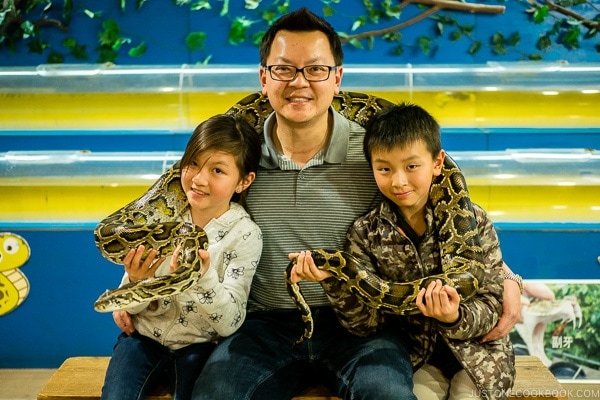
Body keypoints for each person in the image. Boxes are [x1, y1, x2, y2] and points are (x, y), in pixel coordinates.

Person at [113, 7, 523, 399]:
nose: (299, 82)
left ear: (337, 77)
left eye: (315, 69)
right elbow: (183, 213)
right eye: (284, 69)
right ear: (264, 77)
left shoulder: (379, 153)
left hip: (361, 323)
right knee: (217, 393)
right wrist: (133, 287)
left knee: (388, 393)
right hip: (261, 323)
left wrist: (507, 275)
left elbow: (444, 215)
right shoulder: (239, 157)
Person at [294, 103, 516, 399]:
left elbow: (491, 305)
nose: (398, 181)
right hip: (416, 359)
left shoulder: (473, 220)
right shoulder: (366, 233)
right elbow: (365, 326)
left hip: (480, 357)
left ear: (438, 163)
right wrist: (335, 280)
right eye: (384, 169)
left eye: (412, 166)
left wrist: (453, 316)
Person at [101, 114, 263, 400]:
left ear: (244, 180)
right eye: (193, 164)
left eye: (217, 171)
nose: (199, 179)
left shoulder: (245, 234)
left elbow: (230, 322)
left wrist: (203, 278)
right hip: (142, 339)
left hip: (200, 346)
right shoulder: (158, 226)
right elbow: (132, 311)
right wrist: (136, 283)